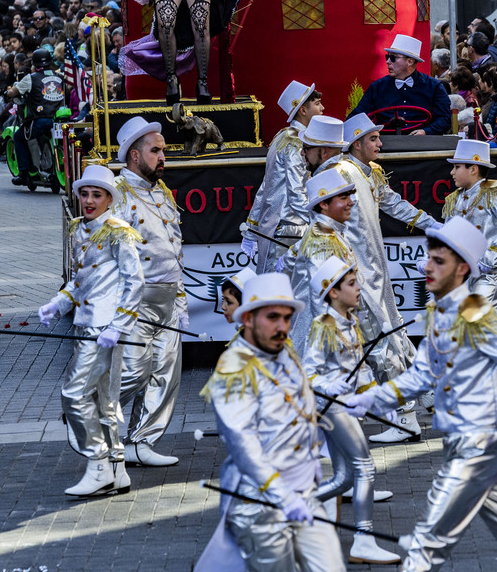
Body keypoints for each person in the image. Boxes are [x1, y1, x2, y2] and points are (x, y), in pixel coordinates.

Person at [342, 217, 497, 572]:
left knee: (426, 545)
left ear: (461, 270)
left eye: (439, 262)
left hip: (476, 447)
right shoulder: (440, 312)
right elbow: (423, 374)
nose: (427, 266)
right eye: (429, 258)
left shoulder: (474, 312)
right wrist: (373, 399)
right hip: (465, 445)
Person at [196, 273, 343, 572]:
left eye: (287, 318)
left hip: (303, 495)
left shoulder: (283, 350)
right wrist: (282, 495)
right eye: (272, 317)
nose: (282, 327)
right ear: (248, 319)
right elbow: (242, 441)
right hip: (260, 504)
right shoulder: (235, 366)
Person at [331, 113, 440, 442]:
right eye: (374, 139)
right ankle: (411, 405)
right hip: (356, 270)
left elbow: (392, 202)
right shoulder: (341, 173)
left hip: (370, 269)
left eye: (379, 138)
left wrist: (430, 223)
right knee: (380, 336)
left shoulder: (370, 171)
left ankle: (408, 412)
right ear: (356, 144)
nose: (381, 143)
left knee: (387, 335)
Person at [38, 165, 143, 497]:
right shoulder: (80, 230)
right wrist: (58, 304)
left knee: (73, 394)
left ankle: (97, 464)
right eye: (84, 194)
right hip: (87, 325)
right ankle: (117, 468)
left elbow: (134, 282)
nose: (88, 200)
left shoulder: (118, 231)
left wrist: (119, 325)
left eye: (96, 195)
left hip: (104, 329)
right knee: (103, 400)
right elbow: (80, 282)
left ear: (109, 199)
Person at [301, 257, 400, 565]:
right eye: (352, 284)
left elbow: (361, 373)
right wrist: (327, 386)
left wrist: (379, 400)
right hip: (330, 407)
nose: (359, 289)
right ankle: (363, 540)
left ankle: (292, 510)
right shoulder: (325, 326)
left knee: (344, 477)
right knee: (364, 468)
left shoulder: (349, 322)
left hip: (341, 404)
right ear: (333, 292)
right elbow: (307, 371)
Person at [112, 117, 185, 467]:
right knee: (134, 372)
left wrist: (181, 298)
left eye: (163, 151)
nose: (162, 157)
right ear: (134, 156)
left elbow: (174, 246)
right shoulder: (117, 193)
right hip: (136, 301)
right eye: (155, 151)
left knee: (165, 373)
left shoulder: (162, 191)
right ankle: (89, 413)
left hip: (168, 297)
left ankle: (141, 442)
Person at [442, 138, 497, 338]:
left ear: (473, 169)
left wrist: (491, 257)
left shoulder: (495, 192)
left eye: (457, 167)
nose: (452, 172)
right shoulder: (456, 198)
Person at [239, 81, 323, 275]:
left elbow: (266, 186)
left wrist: (252, 227)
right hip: (291, 230)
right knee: (285, 296)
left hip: (273, 228)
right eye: (317, 104)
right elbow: (296, 193)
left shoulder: (281, 137)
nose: (322, 108)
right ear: (303, 109)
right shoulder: (298, 144)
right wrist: (321, 221)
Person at [283, 168, 358, 355]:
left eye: (349, 196)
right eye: (343, 198)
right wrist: (339, 341)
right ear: (323, 204)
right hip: (320, 345)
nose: (351, 202)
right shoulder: (322, 239)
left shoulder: (328, 231)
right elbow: (322, 296)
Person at [349, 35, 451, 136]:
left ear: (410, 61)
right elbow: (357, 116)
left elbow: (445, 119)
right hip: (385, 145)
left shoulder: (434, 87)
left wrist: (426, 132)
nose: (387, 61)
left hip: (423, 146)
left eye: (393, 58)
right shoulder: (377, 87)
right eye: (387, 57)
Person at [11, 47, 66, 187]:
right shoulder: (60, 76)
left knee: (18, 137)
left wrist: (9, 92)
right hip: (61, 119)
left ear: (34, 64)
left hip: (42, 120)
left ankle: (23, 173)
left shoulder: (30, 78)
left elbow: (12, 93)